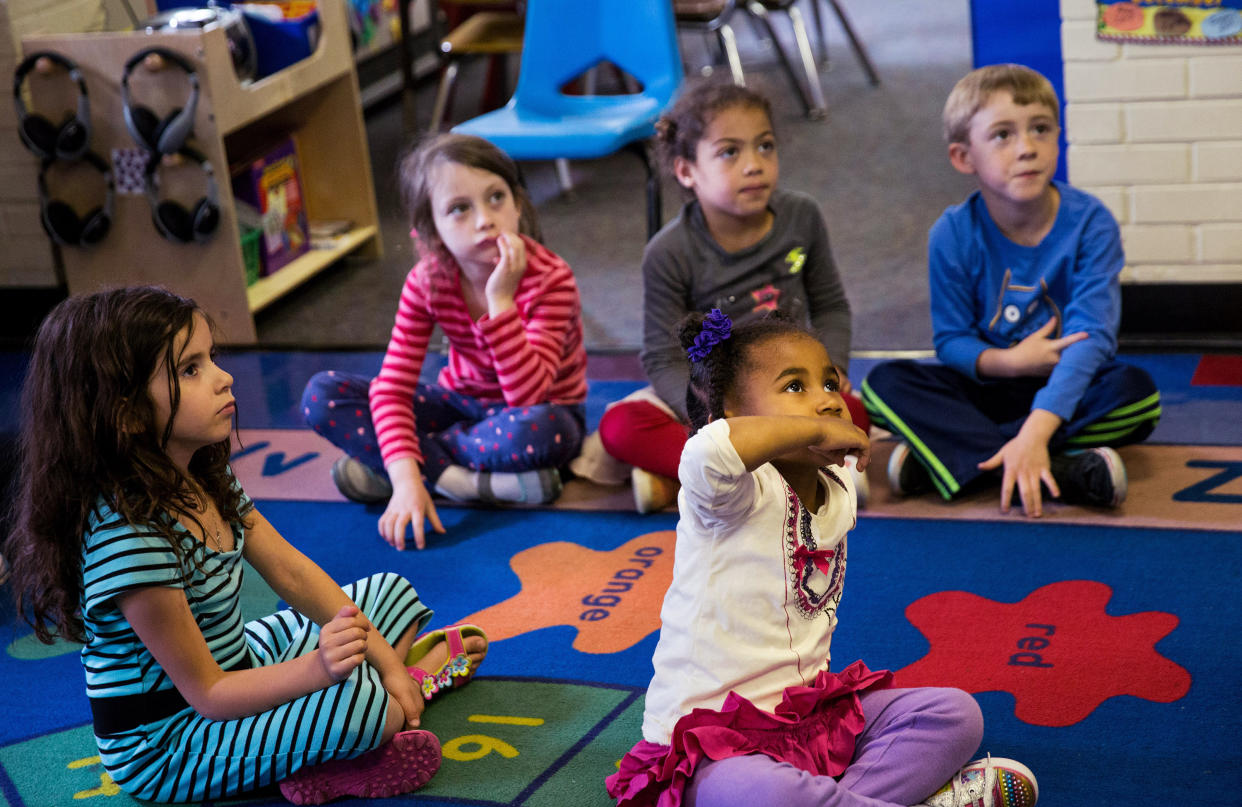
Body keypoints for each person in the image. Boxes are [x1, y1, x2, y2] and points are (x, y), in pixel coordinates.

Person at [4, 286, 488, 806]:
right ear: (127, 415)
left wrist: (380, 662)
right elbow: (208, 693)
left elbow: (294, 576)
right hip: (172, 740)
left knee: (390, 594)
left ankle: (387, 690)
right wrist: (321, 670)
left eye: (210, 358)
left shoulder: (203, 476)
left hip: (242, 663)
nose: (224, 377)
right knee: (362, 706)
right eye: (191, 369)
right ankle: (382, 714)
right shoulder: (128, 538)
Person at [606, 310, 1038, 807]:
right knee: (766, 801)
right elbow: (706, 452)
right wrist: (811, 425)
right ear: (731, 412)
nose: (828, 398)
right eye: (794, 386)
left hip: (809, 723)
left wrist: (809, 420)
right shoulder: (729, 496)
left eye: (829, 382)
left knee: (955, 715)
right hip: (714, 752)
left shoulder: (836, 490)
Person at [861, 64, 1160, 518]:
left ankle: (954, 459)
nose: (1026, 148)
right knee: (884, 386)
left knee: (1137, 393)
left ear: (1057, 136)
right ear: (965, 157)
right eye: (1002, 135)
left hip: (1066, 384)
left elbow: (1092, 338)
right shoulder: (951, 233)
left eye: (1040, 129)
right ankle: (1064, 470)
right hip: (987, 384)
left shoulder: (1090, 223)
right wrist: (1008, 361)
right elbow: (951, 341)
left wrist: (1036, 430)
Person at [584, 80, 869, 514]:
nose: (754, 165)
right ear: (686, 171)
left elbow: (830, 305)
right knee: (621, 426)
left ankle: (693, 484)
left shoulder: (802, 217)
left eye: (766, 146)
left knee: (852, 411)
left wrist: (829, 376)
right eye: (729, 152)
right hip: (710, 400)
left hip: (788, 391)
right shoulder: (669, 251)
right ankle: (802, 479)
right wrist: (711, 416)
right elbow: (663, 358)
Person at [303, 133, 588, 550]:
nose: (485, 219)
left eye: (496, 198)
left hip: (537, 415)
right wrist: (405, 482)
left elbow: (528, 396)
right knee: (322, 394)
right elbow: (392, 388)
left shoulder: (552, 277)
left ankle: (401, 465)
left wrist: (500, 300)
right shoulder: (427, 280)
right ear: (431, 230)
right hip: (460, 411)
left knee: (543, 431)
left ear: (519, 205)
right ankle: (462, 483)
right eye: (459, 209)